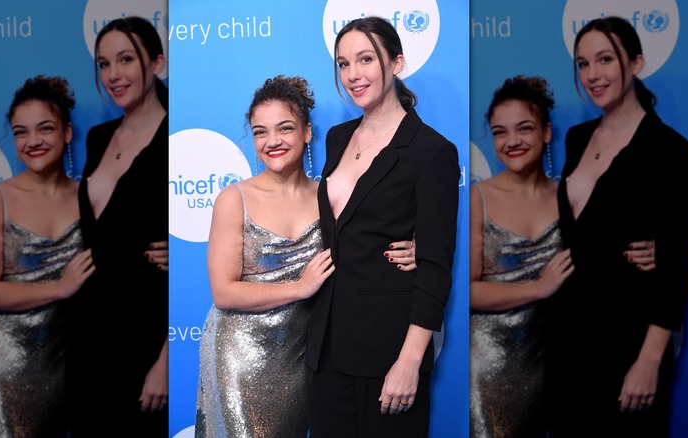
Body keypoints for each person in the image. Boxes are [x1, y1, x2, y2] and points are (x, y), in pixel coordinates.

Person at [195, 75, 416, 438]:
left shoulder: (328, 195)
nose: (272, 141)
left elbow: (368, 243)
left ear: (307, 132)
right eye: (260, 132)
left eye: (285, 128)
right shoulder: (235, 198)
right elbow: (224, 292)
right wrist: (300, 288)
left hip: (302, 357)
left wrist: (417, 247)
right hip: (239, 355)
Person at [469, 75, 656, 438]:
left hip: (558, 360)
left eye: (524, 128)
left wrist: (655, 250)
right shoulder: (478, 197)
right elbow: (469, 292)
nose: (512, 142)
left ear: (547, 133)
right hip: (491, 365)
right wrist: (538, 289)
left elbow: (606, 253)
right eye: (499, 132)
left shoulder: (569, 195)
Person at [305, 16, 459, 437]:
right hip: (327, 347)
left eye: (366, 59)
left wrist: (409, 362)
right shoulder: (336, 138)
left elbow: (435, 269)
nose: (353, 74)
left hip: (388, 352)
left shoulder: (432, 152)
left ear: (396, 64)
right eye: (342, 63)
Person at [545, 16, 688, 437]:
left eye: (605, 60)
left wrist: (649, 361)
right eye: (582, 64)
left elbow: (677, 267)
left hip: (629, 340)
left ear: (636, 63)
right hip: (570, 339)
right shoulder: (577, 138)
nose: (592, 75)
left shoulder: (673, 152)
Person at [0, 75, 95, 437]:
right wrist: (60, 288)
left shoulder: (89, 196)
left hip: (62, 358)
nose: (32, 141)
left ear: (67, 132)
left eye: (44, 128)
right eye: (21, 132)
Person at [64, 16, 169, 437]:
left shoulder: (175, 137)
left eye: (126, 59)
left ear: (157, 62)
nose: (113, 75)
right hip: (89, 330)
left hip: (145, 333)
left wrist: (165, 361)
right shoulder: (97, 137)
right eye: (104, 64)